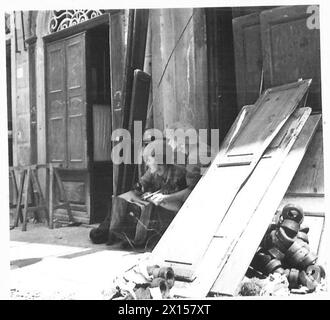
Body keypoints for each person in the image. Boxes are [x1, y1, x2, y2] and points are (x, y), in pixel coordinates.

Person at [89, 140, 187, 249]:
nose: (147, 163)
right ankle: (110, 231)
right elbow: (141, 185)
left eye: (149, 160)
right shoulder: (151, 172)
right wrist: (136, 192)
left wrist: (163, 198)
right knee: (120, 200)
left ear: (159, 160)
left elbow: (181, 204)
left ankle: (130, 236)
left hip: (170, 212)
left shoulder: (180, 173)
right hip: (156, 204)